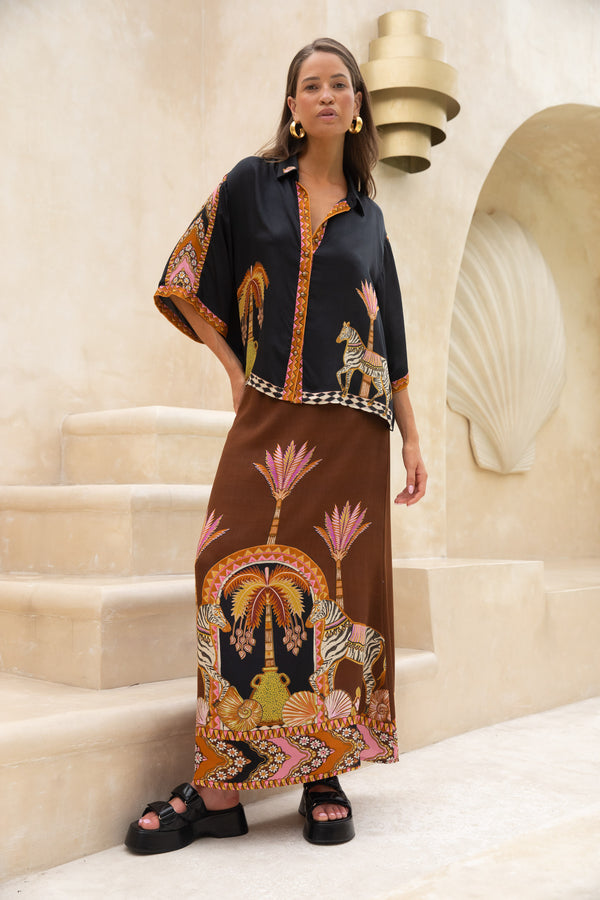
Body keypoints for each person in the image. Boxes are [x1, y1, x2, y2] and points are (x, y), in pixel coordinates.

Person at [125, 36, 427, 853]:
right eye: (310, 85)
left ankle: (322, 773)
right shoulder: (250, 185)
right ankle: (220, 786)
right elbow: (187, 274)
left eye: (339, 84)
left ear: (357, 105)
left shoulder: (371, 220)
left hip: (355, 429)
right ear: (293, 107)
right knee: (222, 563)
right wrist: (234, 372)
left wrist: (411, 437)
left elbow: (391, 339)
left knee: (339, 592)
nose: (326, 95)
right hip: (269, 415)